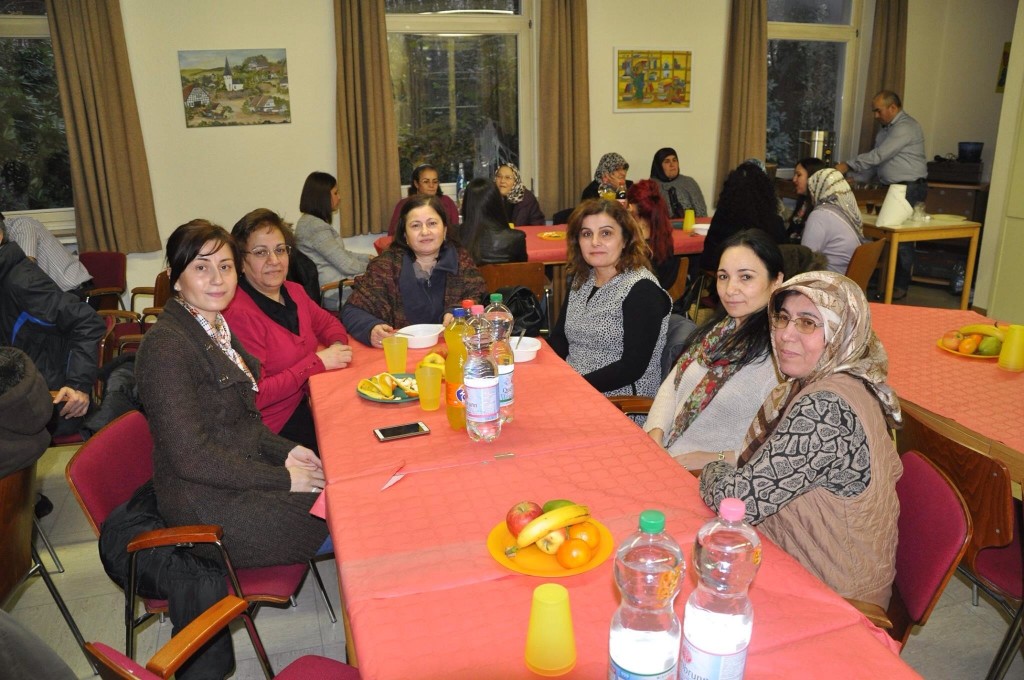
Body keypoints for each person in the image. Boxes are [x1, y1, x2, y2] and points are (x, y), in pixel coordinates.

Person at [696, 271, 903, 609]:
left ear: (841, 332)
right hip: (814, 565)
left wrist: (711, 467)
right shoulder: (838, 379)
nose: (785, 335)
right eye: (782, 318)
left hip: (836, 598)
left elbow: (739, 502)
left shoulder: (825, 407)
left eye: (807, 323)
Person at [134, 219, 329, 571]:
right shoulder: (166, 348)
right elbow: (192, 459)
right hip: (209, 510)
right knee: (348, 514)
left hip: (237, 477)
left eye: (225, 267)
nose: (217, 279)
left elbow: (243, 422)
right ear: (175, 278)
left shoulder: (216, 327)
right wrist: (283, 478)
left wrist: (286, 451)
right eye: (201, 267)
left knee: (344, 489)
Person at [645, 230, 783, 462]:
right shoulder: (718, 331)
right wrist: (655, 433)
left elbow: (775, 448)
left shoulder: (779, 357)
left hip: (710, 475)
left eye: (746, 277)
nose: (730, 289)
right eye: (723, 276)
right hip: (662, 453)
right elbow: (673, 385)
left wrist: (707, 458)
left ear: (776, 281)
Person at [225, 208, 353, 453]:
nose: (274, 260)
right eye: (260, 252)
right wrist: (316, 363)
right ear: (241, 262)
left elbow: (329, 324)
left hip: (308, 403)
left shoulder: (294, 291)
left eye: (280, 250)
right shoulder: (239, 315)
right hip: (272, 429)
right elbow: (256, 394)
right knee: (346, 450)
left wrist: (336, 345)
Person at [547, 199, 669, 399]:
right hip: (573, 385)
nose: (595, 242)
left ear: (625, 240)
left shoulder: (641, 289)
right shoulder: (582, 279)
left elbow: (631, 368)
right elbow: (560, 339)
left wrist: (573, 386)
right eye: (587, 234)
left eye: (606, 233)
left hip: (619, 399)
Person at [0, 219, 104, 438]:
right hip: (16, 390)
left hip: (44, 400)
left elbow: (87, 321)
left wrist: (78, 385)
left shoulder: (22, 282)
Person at [343, 195, 487, 348]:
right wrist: (370, 328)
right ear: (405, 234)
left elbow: (478, 298)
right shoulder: (386, 266)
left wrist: (457, 311)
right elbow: (352, 310)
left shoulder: (461, 261)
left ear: (444, 230)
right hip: (400, 353)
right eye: (416, 226)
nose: (425, 232)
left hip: (451, 351)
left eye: (432, 223)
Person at [836, 90, 927, 300]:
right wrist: (856, 178)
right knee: (883, 234)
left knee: (901, 239)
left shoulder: (906, 127)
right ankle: (883, 282)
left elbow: (878, 156)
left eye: (878, 110)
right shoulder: (884, 132)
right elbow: (878, 164)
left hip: (910, 188)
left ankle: (899, 286)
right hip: (891, 188)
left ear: (893, 108)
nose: (876, 115)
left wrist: (848, 165)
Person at [294, 171, 370, 309]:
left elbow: (342, 254)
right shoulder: (315, 227)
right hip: (335, 292)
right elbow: (347, 265)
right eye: (335, 193)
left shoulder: (308, 222)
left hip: (338, 286)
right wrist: (374, 266)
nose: (339, 197)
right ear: (322, 196)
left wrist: (368, 258)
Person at [700, 160, 787, 272]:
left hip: (726, 271)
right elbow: (783, 255)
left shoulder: (722, 218)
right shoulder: (774, 221)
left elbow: (708, 257)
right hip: (765, 274)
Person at [0, 211, 92, 296]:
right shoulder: (4, 242)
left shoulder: (22, 225)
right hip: (50, 295)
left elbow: (26, 267)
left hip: (74, 291)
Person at [801, 168, 864, 274]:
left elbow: (805, 257)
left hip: (830, 280)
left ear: (818, 189)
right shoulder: (847, 212)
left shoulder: (819, 215)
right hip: (848, 279)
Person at [459, 178, 527, 265]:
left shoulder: (454, 235)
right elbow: (522, 270)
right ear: (497, 202)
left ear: (466, 204)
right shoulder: (517, 238)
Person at [626, 179, 678, 291]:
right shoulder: (663, 235)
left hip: (637, 292)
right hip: (661, 291)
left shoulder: (631, 241)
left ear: (631, 207)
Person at [387, 163, 461, 235]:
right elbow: (393, 234)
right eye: (426, 182)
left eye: (435, 182)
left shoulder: (447, 202)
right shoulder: (404, 204)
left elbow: (455, 231)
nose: (431, 185)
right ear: (416, 184)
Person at [648, 147, 707, 218]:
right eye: (667, 161)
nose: (672, 165)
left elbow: (702, 213)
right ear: (659, 166)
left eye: (674, 160)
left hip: (691, 224)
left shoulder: (689, 182)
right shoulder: (650, 186)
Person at [787, 156, 828, 241]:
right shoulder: (804, 202)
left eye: (798, 175)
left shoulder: (822, 209)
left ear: (812, 177)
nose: (794, 179)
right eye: (794, 175)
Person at [494, 162, 545, 226]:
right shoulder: (489, 197)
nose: (502, 181)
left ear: (516, 181)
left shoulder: (527, 198)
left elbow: (537, 224)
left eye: (507, 177)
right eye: (499, 176)